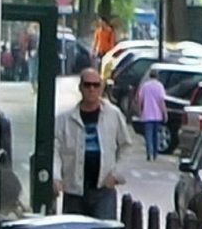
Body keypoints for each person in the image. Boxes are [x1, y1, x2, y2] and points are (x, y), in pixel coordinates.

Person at [53, 68, 130, 218]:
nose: (91, 89)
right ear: (80, 87)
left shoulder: (113, 115)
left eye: (96, 85)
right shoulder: (64, 120)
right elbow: (54, 150)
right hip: (74, 191)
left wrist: (116, 175)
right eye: (87, 85)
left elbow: (126, 146)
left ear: (101, 88)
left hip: (103, 190)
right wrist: (56, 178)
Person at [137, 68, 170, 160]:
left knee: (148, 135)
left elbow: (140, 100)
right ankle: (155, 153)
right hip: (157, 115)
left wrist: (140, 111)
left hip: (147, 114)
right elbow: (161, 101)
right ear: (157, 76)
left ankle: (149, 153)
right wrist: (165, 113)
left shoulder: (145, 86)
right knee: (156, 135)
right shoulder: (159, 86)